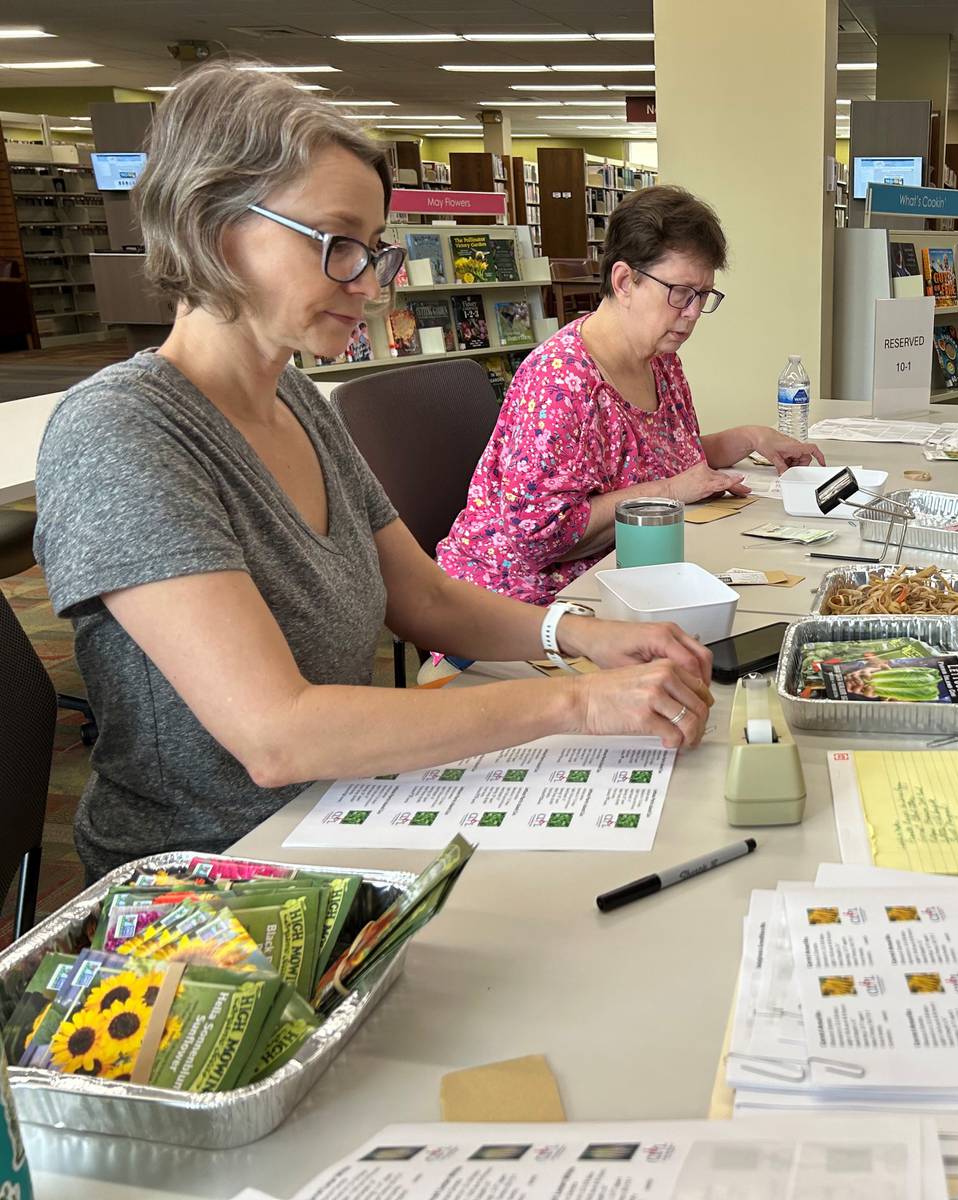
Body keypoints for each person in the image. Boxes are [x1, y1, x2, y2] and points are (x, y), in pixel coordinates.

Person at [32, 63, 715, 885]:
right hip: (213, 878)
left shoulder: (295, 397)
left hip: (339, 812)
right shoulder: (123, 430)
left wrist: (580, 635)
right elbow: (277, 733)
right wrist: (576, 699)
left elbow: (422, 597)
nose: (366, 283)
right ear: (214, 227)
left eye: (373, 250)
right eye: (336, 245)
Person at [437, 185, 824, 608]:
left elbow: (664, 458)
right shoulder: (561, 384)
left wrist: (751, 438)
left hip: (622, 578)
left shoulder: (659, 358)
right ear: (624, 281)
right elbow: (538, 539)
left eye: (703, 296)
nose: (693, 312)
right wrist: (671, 492)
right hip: (518, 603)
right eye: (681, 292)